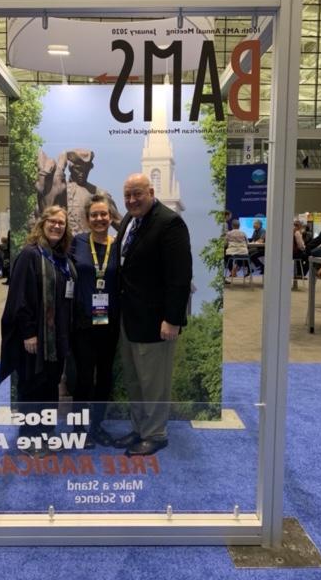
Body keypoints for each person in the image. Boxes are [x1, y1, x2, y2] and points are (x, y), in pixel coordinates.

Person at [113, 173, 192, 457]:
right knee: (135, 380)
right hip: (129, 318)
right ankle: (139, 428)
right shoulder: (129, 220)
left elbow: (180, 277)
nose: (132, 200)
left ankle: (156, 434)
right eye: (128, 196)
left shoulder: (170, 223)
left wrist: (173, 319)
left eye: (137, 194)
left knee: (154, 383)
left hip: (156, 323)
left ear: (151, 191)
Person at [0, 206, 75, 457]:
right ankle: (29, 438)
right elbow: (19, 299)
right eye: (52, 222)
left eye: (61, 223)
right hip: (35, 338)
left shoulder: (61, 257)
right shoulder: (30, 255)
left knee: (50, 386)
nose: (56, 226)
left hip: (57, 340)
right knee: (32, 386)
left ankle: (46, 434)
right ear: (42, 224)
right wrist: (28, 333)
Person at [70, 193, 119, 448]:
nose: (100, 219)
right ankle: (79, 428)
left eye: (104, 214)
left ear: (110, 217)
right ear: (87, 219)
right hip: (82, 323)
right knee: (84, 377)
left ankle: (97, 426)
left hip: (109, 323)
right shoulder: (76, 243)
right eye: (94, 215)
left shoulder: (119, 245)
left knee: (105, 377)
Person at [36, 149, 122, 235]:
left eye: (86, 169)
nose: (83, 173)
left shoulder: (99, 194)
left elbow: (121, 224)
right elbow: (40, 215)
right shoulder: (59, 190)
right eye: (79, 169)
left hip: (89, 246)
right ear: (70, 167)